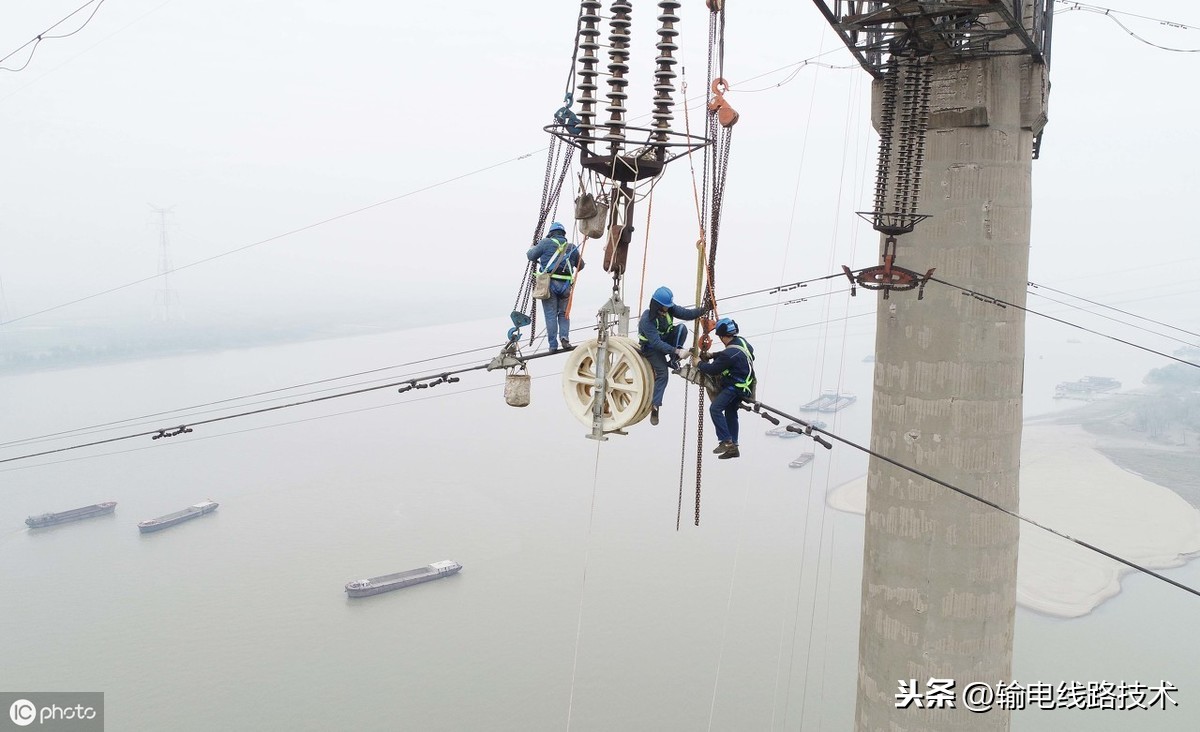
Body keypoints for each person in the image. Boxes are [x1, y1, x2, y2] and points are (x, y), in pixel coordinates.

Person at [638, 285, 708, 426]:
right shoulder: (647, 320)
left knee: (681, 329)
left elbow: (686, 314)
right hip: (652, 349)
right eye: (665, 306)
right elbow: (656, 343)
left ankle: (673, 361)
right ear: (658, 305)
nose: (667, 308)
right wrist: (677, 351)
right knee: (663, 374)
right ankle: (655, 406)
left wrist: (704, 309)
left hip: (665, 341)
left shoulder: (669, 309)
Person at [697, 317, 755, 459]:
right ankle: (734, 446)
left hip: (734, 387)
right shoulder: (741, 341)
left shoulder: (728, 355)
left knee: (715, 409)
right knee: (730, 411)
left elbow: (712, 369)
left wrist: (698, 363)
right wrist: (713, 355)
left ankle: (726, 441)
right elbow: (740, 352)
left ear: (722, 336)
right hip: (746, 386)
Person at [526, 221, 584, 353]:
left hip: (549, 285)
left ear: (551, 233)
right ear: (563, 234)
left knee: (551, 315)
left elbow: (531, 256)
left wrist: (532, 247)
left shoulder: (545, 243)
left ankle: (553, 345)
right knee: (564, 314)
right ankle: (565, 338)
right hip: (565, 286)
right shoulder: (571, 247)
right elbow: (581, 266)